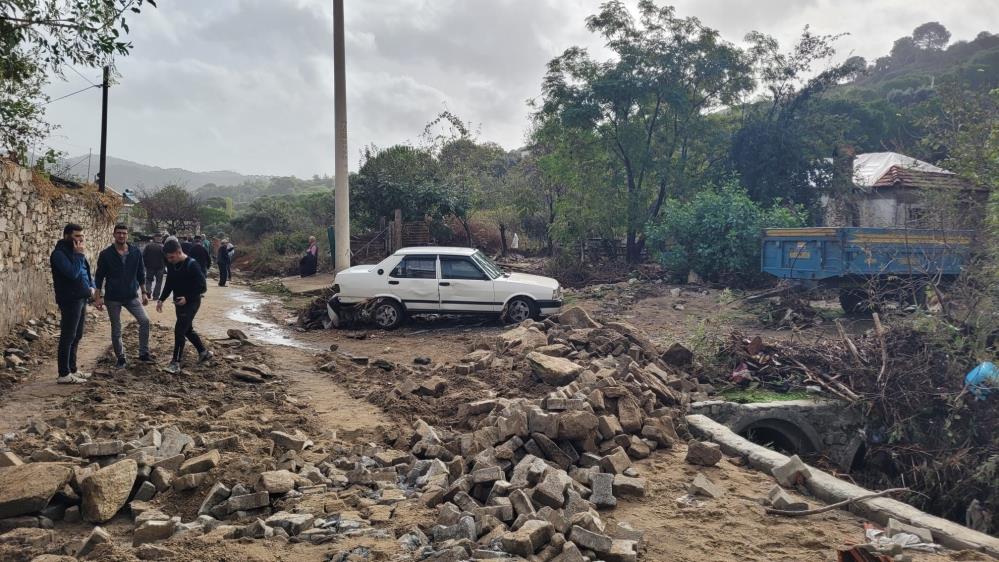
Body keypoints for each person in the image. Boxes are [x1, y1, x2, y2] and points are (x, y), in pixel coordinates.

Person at [95, 224, 153, 369]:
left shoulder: (135, 252)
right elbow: (99, 277)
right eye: (119, 233)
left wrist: (144, 293)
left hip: (131, 295)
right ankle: (121, 358)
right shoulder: (106, 254)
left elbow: (141, 273)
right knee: (116, 328)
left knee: (145, 321)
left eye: (124, 233)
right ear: (114, 235)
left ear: (127, 235)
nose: (121, 235)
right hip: (112, 297)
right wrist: (97, 297)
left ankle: (143, 353)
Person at [50, 223, 97, 384]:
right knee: (68, 336)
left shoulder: (76, 252)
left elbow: (86, 273)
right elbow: (72, 273)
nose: (81, 239)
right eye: (77, 236)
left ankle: (73, 369)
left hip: (81, 298)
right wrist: (78, 255)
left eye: (82, 236)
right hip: (70, 300)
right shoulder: (59, 254)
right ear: (66, 236)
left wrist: (92, 288)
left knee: (77, 335)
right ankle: (64, 374)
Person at [156, 240, 212, 373]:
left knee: (179, 330)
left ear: (179, 252)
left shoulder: (192, 265)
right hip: (178, 303)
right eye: (167, 258)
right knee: (187, 329)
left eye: (172, 257)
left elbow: (203, 287)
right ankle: (204, 352)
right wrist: (161, 299)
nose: (169, 260)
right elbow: (169, 282)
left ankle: (175, 363)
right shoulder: (171, 264)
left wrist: (187, 298)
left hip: (191, 302)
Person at [143, 233, 166, 300]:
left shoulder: (148, 246)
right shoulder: (163, 247)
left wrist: (145, 264)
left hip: (149, 266)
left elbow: (144, 256)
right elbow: (166, 257)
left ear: (154, 238)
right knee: (159, 282)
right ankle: (156, 296)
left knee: (148, 280)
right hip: (160, 267)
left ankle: (148, 291)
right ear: (161, 238)